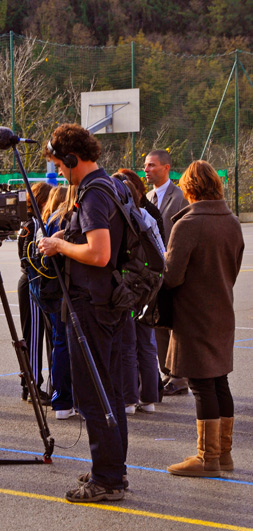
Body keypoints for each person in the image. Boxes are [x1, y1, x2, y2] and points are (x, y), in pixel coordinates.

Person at [38, 123, 128, 503]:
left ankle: (107, 479)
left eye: (59, 165)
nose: (59, 172)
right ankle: (110, 469)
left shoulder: (93, 195)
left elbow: (98, 253)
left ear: (73, 158)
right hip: (107, 302)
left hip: (91, 303)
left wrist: (59, 246)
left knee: (94, 394)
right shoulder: (113, 185)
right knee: (109, 391)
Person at [163, 160, 244, 478]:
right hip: (222, 307)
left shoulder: (189, 224)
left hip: (193, 313)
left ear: (190, 189)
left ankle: (206, 457)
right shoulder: (232, 221)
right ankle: (223, 455)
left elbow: (171, 278)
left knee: (201, 385)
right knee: (219, 381)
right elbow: (234, 268)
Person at [113, 169, 165, 415]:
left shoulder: (119, 218)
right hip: (147, 285)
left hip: (125, 286)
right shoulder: (146, 216)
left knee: (127, 343)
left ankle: (128, 399)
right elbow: (161, 251)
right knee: (146, 342)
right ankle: (149, 398)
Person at [144, 150, 189, 397]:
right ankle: (166, 374)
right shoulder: (148, 197)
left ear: (166, 168)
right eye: (145, 165)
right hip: (154, 273)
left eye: (152, 165)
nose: (147, 169)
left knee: (176, 326)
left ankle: (180, 378)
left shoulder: (180, 197)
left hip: (175, 271)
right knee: (158, 324)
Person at [41, 185, 76, 420]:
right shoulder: (73, 217)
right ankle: (66, 398)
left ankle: (61, 398)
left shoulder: (55, 216)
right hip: (69, 286)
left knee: (60, 342)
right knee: (70, 343)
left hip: (53, 287)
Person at [17, 181, 53, 404]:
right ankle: (32, 386)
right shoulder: (32, 223)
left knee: (36, 336)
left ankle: (31, 385)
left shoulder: (30, 221)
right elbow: (25, 256)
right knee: (33, 338)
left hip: (34, 281)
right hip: (33, 281)